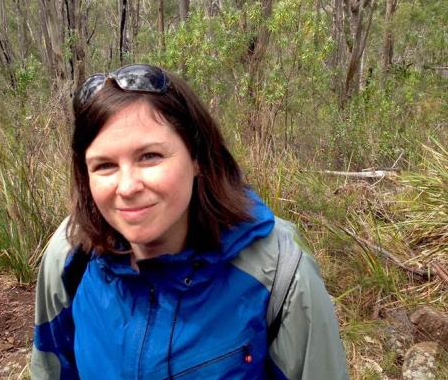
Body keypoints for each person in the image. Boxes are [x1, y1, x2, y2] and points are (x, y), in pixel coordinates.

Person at [30, 64, 348, 380]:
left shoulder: (281, 271)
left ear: (197, 157)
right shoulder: (70, 254)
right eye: (104, 166)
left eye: (149, 156)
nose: (127, 187)